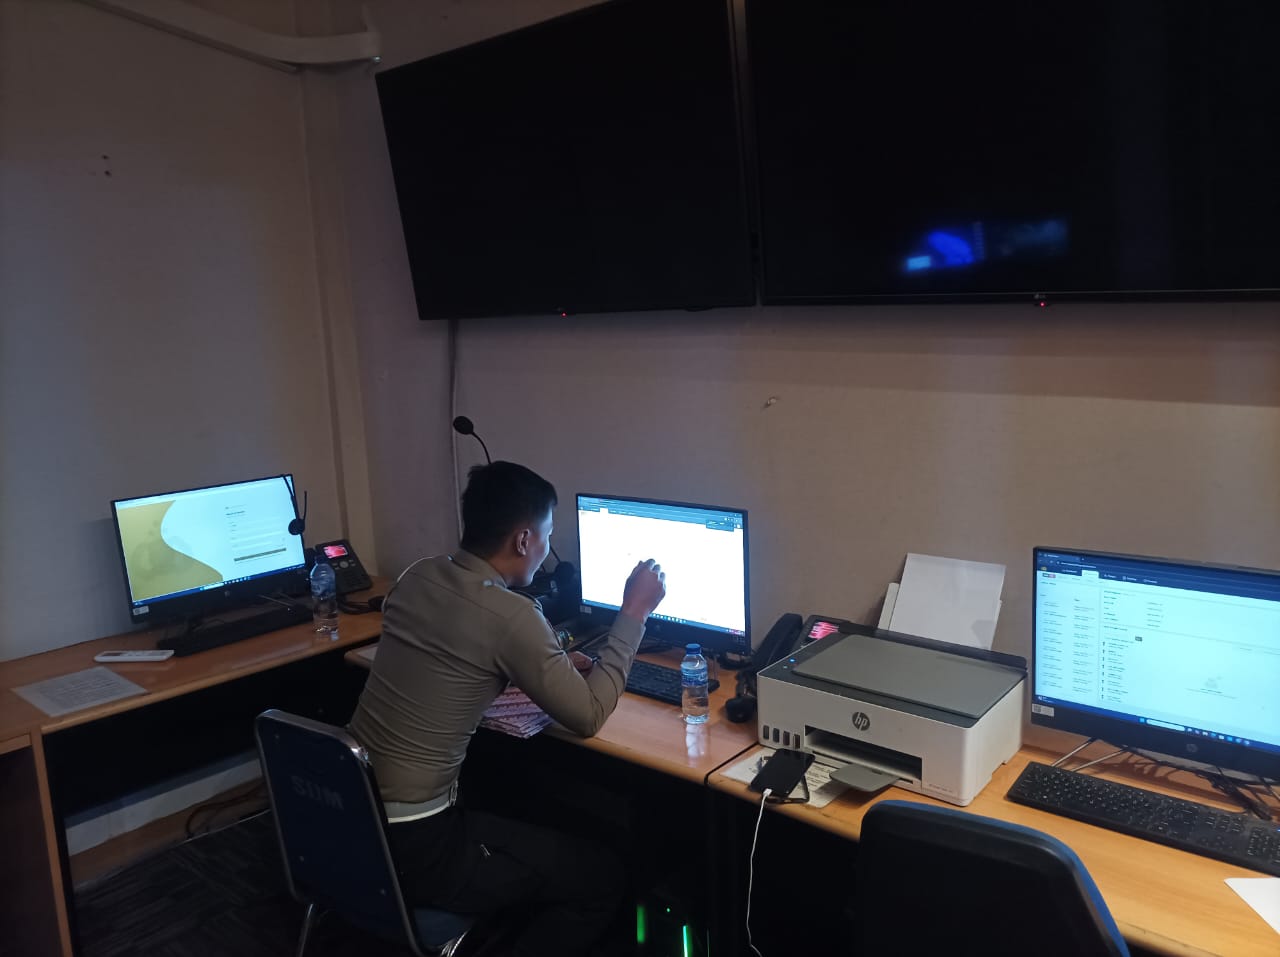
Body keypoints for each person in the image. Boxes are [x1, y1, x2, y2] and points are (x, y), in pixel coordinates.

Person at [349, 461, 667, 957]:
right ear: (522, 540)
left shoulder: (416, 576)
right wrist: (634, 613)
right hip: (418, 844)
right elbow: (587, 717)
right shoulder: (511, 615)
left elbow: (452, 658)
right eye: (546, 535)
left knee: (521, 800)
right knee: (601, 877)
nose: (546, 547)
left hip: (353, 813)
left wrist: (545, 665)